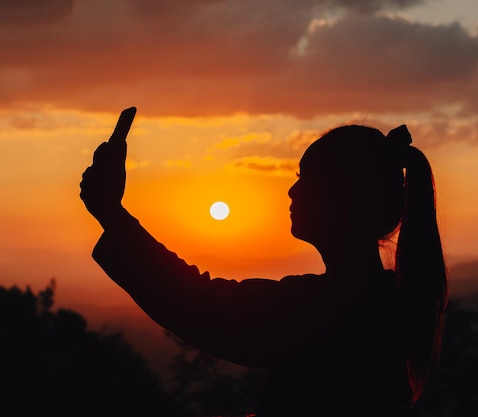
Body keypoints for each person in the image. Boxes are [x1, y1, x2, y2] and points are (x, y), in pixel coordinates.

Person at [80, 113, 448, 416]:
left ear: (345, 198)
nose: (292, 190)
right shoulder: (374, 301)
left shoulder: (333, 308)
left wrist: (112, 214)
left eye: (306, 178)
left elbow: (199, 306)